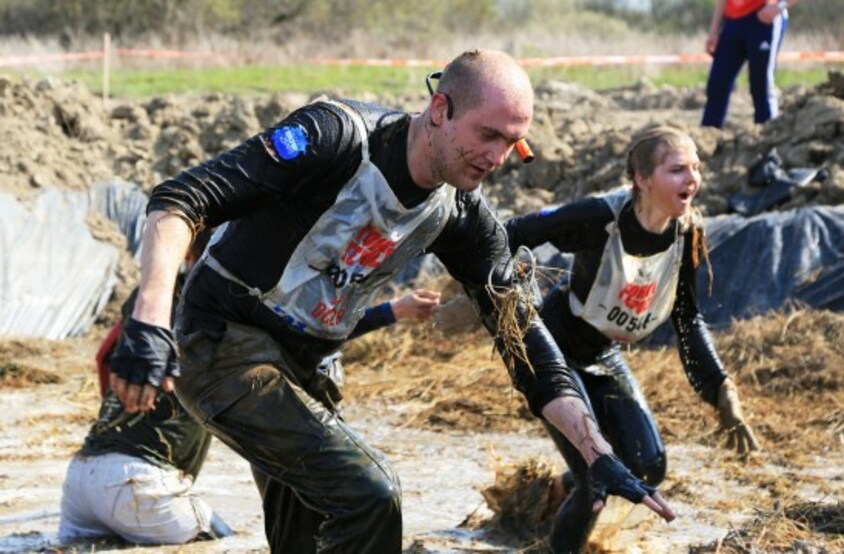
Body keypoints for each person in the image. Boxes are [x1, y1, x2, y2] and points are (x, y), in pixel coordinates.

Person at [107, 49, 675, 552]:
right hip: (225, 339)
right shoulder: (335, 137)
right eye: (487, 135)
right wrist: (149, 322)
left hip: (309, 365)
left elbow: (525, 339)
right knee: (370, 493)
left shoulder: (463, 216)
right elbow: (181, 198)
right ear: (440, 110)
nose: (498, 158)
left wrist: (594, 453)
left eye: (511, 141)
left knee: (309, 535)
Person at [60, 229, 439, 546]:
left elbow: (103, 356)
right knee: (225, 542)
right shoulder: (227, 304)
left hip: (80, 477)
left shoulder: (150, 304)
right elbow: (307, 325)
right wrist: (391, 312)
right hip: (140, 483)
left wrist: (127, 399)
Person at [504, 125, 760, 552]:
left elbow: (687, 319)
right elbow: (515, 230)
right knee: (596, 477)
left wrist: (721, 389)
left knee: (647, 467)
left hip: (604, 353)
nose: (692, 179)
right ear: (642, 179)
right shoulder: (600, 216)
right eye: (677, 169)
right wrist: (501, 291)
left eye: (696, 168)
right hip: (557, 346)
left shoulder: (688, 232)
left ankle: (551, 493)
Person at [701, 0, 801, 128]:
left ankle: (768, 138)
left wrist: (779, 6)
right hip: (733, 21)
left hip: (763, 19)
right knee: (717, 84)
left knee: (761, 85)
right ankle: (708, 137)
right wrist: (714, 30)